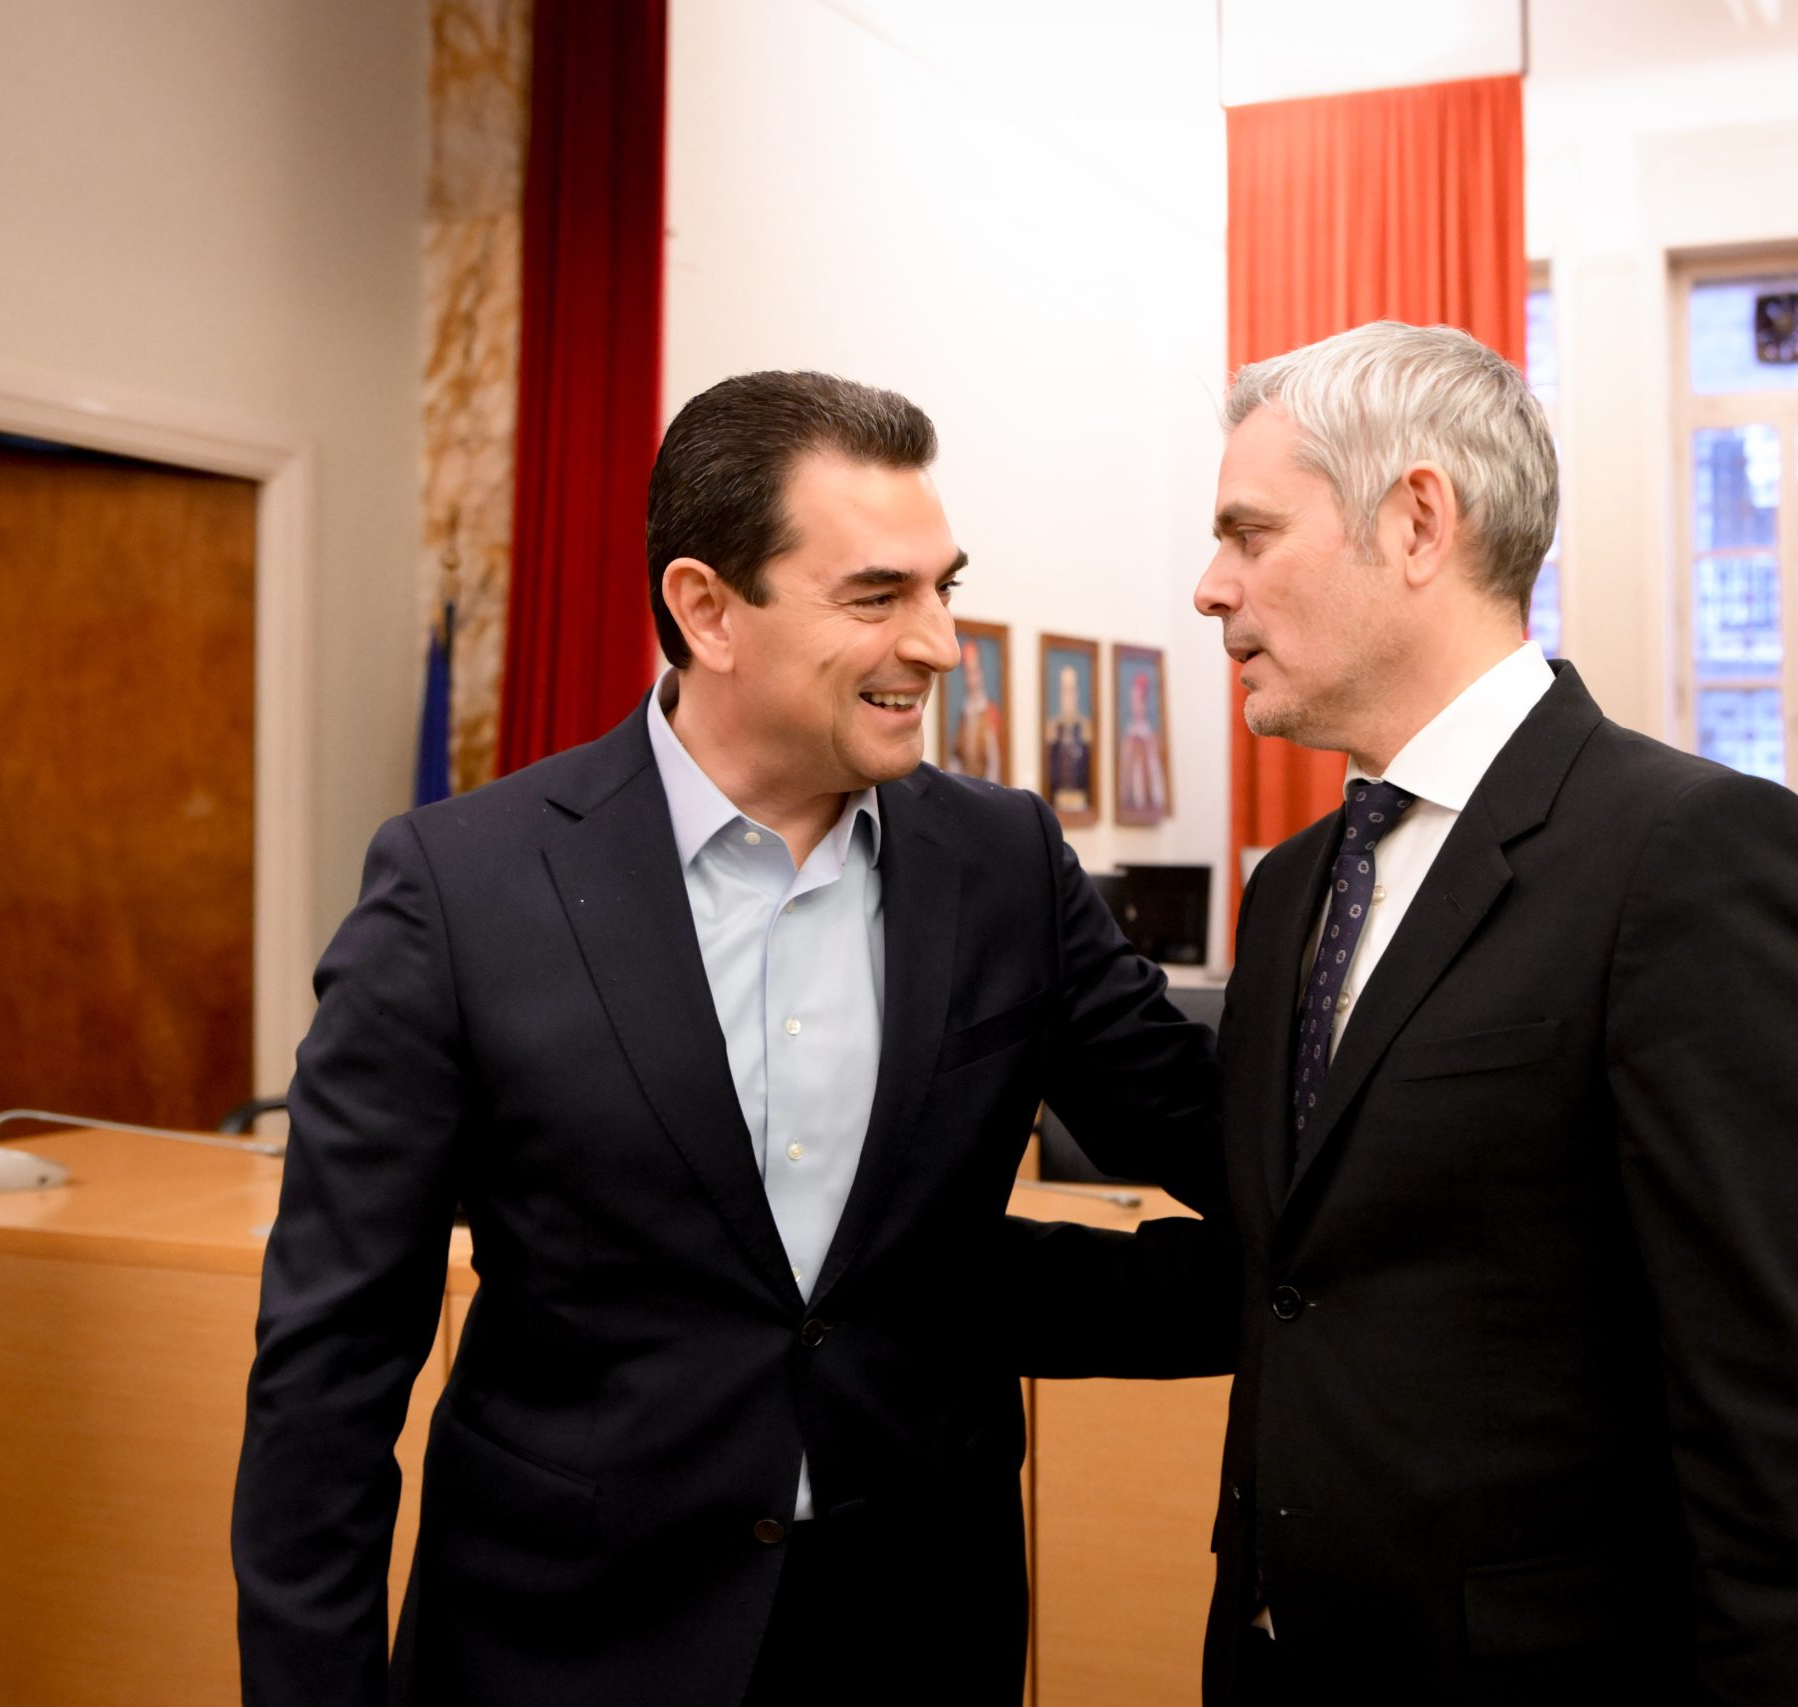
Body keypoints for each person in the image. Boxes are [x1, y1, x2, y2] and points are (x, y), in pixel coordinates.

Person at [232, 370, 1228, 1707]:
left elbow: (1226, 1151)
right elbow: (331, 1366)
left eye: (942, 588)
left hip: (917, 1634)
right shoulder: (460, 886)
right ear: (706, 608)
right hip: (565, 1643)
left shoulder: (1005, 864)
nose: (940, 643)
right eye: (877, 597)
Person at [1188, 321, 1798, 1702]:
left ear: (1416, 522)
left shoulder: (1696, 856)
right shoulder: (1290, 889)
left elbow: (1795, 1431)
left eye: (1249, 532)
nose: (1211, 584)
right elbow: (1306, 1274)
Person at [950, 635, 1005, 781]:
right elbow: (956, 757)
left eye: (974, 672)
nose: (972, 679)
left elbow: (994, 761)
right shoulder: (964, 714)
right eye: (968, 673)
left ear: (981, 673)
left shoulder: (990, 711)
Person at [1118, 666, 1168, 819]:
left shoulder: (1150, 738)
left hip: (1149, 804)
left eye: (1138, 701)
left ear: (1145, 704)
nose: (1135, 706)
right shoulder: (1128, 737)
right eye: (1132, 701)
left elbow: (1155, 774)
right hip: (1131, 803)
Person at [1045, 663, 1093, 812]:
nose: (1068, 697)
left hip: (1080, 800)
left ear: (1077, 694)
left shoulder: (1086, 729)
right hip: (1058, 799)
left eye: (1071, 691)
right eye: (1064, 691)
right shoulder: (1052, 729)